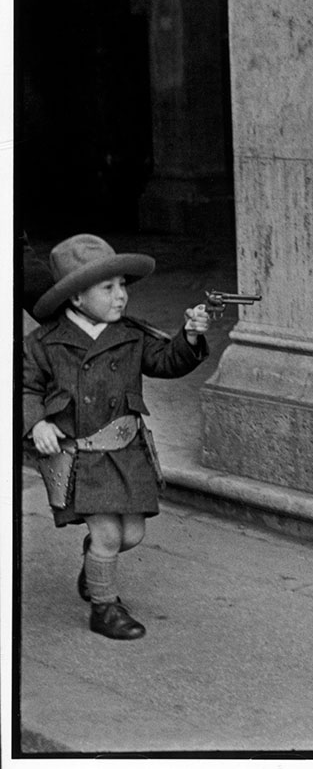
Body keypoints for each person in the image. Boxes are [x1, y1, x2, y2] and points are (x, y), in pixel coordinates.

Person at [23, 234, 211, 641]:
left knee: (131, 534)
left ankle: (96, 561)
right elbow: (25, 388)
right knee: (109, 534)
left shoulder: (130, 334)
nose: (121, 296)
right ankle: (104, 608)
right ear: (76, 299)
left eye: (123, 285)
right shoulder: (44, 344)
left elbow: (166, 361)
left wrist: (190, 337)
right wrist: (36, 423)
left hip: (126, 451)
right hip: (83, 455)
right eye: (108, 288)